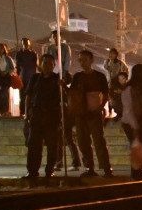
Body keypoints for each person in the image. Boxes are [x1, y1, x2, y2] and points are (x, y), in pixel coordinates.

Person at [66, 48, 113, 177]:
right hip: (81, 113)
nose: (82, 62)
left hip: (95, 113)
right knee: (83, 141)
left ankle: (106, 167)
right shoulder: (77, 76)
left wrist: (101, 107)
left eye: (84, 60)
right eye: (80, 60)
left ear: (91, 60)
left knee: (99, 141)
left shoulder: (99, 76)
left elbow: (106, 93)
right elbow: (73, 94)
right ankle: (89, 167)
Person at [24, 53, 64, 181]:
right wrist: (26, 114)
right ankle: (32, 171)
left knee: (52, 146)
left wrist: (62, 86)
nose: (47, 66)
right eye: (44, 63)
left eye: (50, 63)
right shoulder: (35, 78)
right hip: (37, 114)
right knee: (33, 145)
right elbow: (28, 96)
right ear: (40, 64)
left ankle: (49, 170)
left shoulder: (57, 79)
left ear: (54, 65)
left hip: (52, 116)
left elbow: (65, 98)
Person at [120, 63, 142, 179]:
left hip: (140, 121)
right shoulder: (131, 89)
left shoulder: (136, 88)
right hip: (133, 123)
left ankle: (138, 170)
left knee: (139, 145)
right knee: (137, 145)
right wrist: (135, 127)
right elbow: (129, 110)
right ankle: (136, 172)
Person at [103, 47, 128, 115]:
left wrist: (122, 79)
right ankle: (110, 111)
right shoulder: (107, 61)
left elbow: (125, 71)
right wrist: (110, 61)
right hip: (109, 82)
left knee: (117, 96)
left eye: (113, 54)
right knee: (109, 96)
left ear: (116, 55)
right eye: (110, 53)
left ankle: (118, 111)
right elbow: (107, 67)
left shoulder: (120, 63)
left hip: (117, 82)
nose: (111, 55)